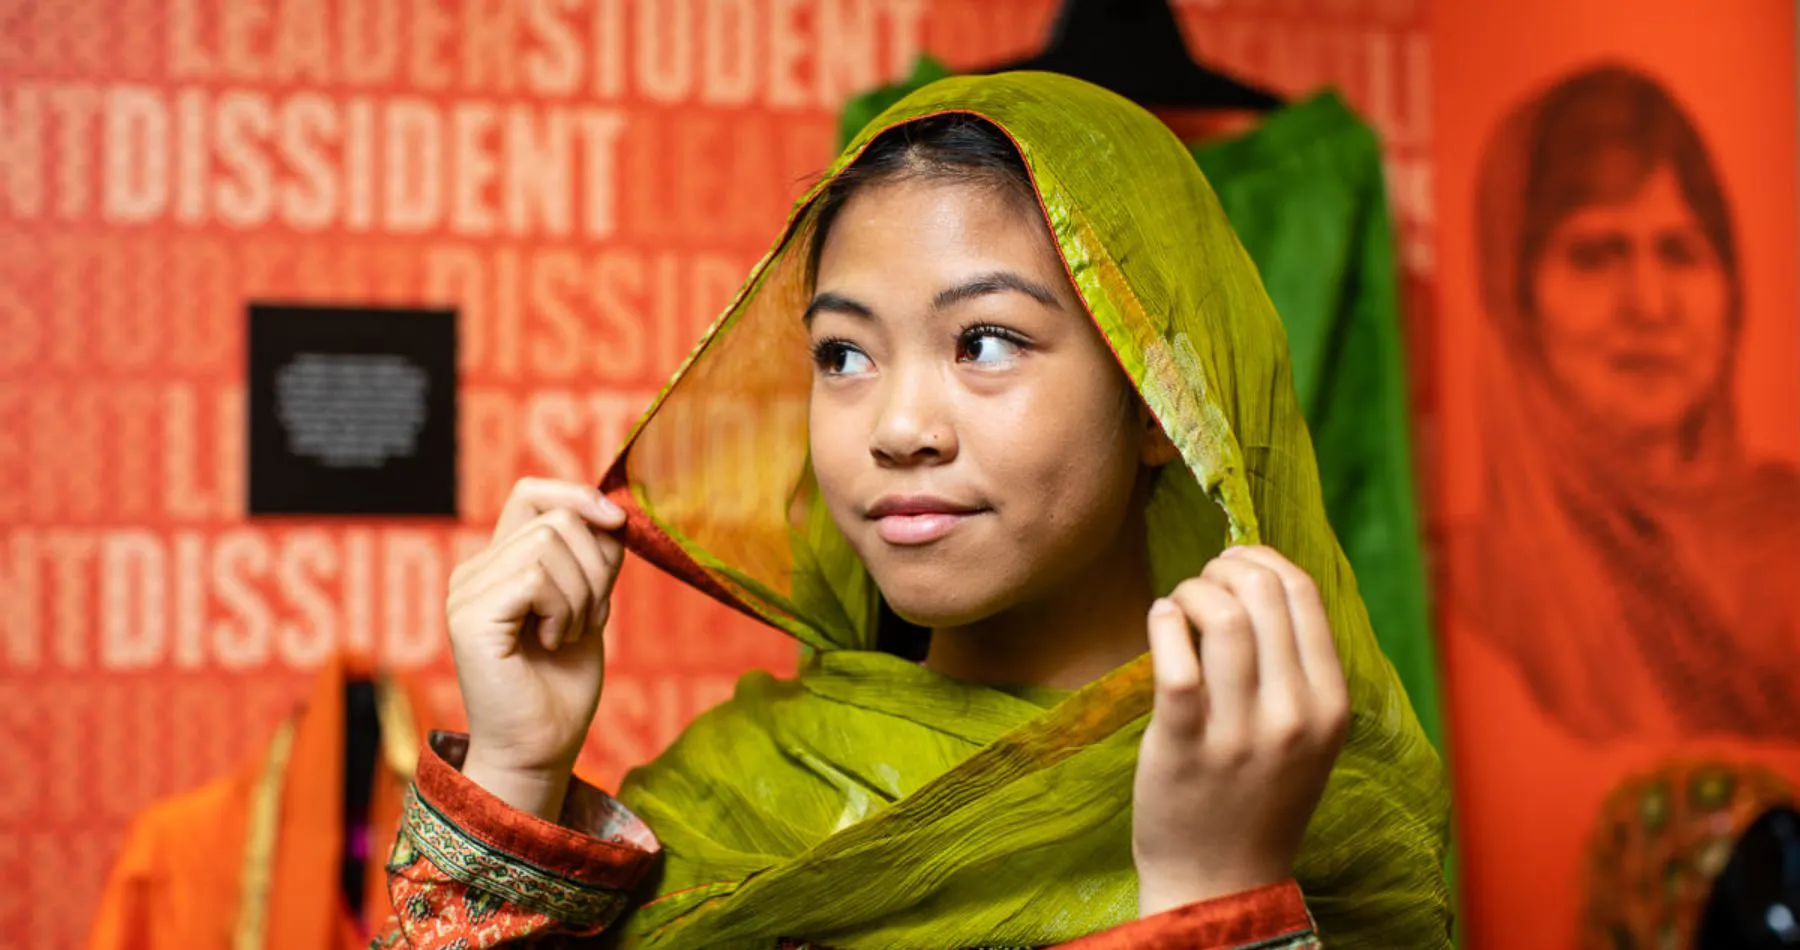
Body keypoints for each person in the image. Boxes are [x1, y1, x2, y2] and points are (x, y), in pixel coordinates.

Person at [378, 72, 1449, 949]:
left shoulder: (1303, 804)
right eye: (843, 354)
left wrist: (1209, 893)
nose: (895, 426)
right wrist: (515, 776)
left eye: (984, 340)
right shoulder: (737, 799)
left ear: (1159, 398)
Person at [1457, 64, 1800, 741]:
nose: (1649, 306)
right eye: (1596, 255)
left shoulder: (1787, 534)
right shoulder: (1478, 590)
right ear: (1516, 298)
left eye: (1681, 252)